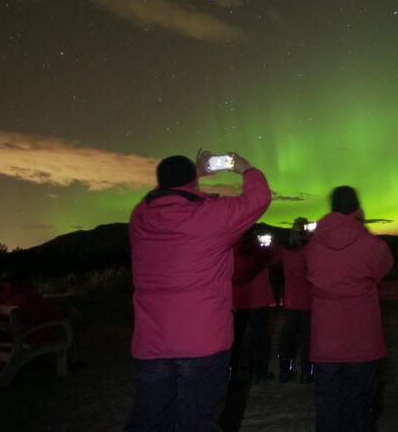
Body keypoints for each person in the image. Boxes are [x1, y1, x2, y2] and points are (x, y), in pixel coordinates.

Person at [125, 149, 272, 432]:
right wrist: (246, 169)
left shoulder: (140, 216)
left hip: (151, 341)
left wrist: (193, 176)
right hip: (203, 341)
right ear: (191, 180)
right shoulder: (213, 217)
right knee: (199, 422)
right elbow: (258, 199)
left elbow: (162, 196)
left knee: (148, 421)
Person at [306, 186, 394, 432]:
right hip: (362, 339)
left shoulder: (314, 246)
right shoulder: (370, 244)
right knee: (359, 408)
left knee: (328, 408)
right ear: (357, 208)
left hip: (325, 340)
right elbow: (384, 267)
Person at [231, 226, 282, 383]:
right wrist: (270, 242)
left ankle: (231, 371)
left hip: (237, 299)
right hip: (258, 299)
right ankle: (258, 372)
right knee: (259, 338)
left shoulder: (231, 249)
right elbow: (277, 253)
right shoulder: (260, 251)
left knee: (234, 339)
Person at [278, 217, 314, 383]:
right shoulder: (309, 249)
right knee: (306, 337)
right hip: (306, 299)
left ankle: (285, 369)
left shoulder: (285, 250)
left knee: (289, 336)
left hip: (291, 299)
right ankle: (307, 372)